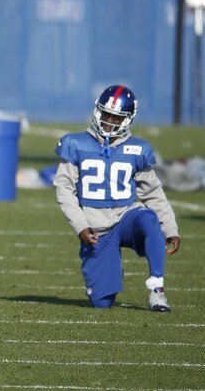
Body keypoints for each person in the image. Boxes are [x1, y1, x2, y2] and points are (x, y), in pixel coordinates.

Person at [53, 85, 181, 311]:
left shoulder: (137, 149)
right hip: (96, 229)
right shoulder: (76, 144)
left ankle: (157, 290)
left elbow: (153, 193)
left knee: (149, 219)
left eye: (116, 117)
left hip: (127, 218)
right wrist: (80, 225)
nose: (109, 121)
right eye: (106, 114)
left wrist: (170, 229)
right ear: (97, 111)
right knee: (102, 303)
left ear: (128, 119)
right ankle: (110, 264)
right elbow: (64, 188)